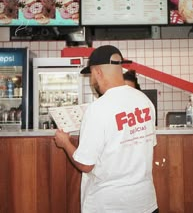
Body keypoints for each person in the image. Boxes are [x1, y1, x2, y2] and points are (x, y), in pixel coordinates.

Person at [54, 45, 158, 213]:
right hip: (145, 203)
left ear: (97, 73)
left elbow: (85, 165)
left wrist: (65, 142)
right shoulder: (144, 100)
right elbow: (150, 146)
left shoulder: (98, 108)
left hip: (109, 205)